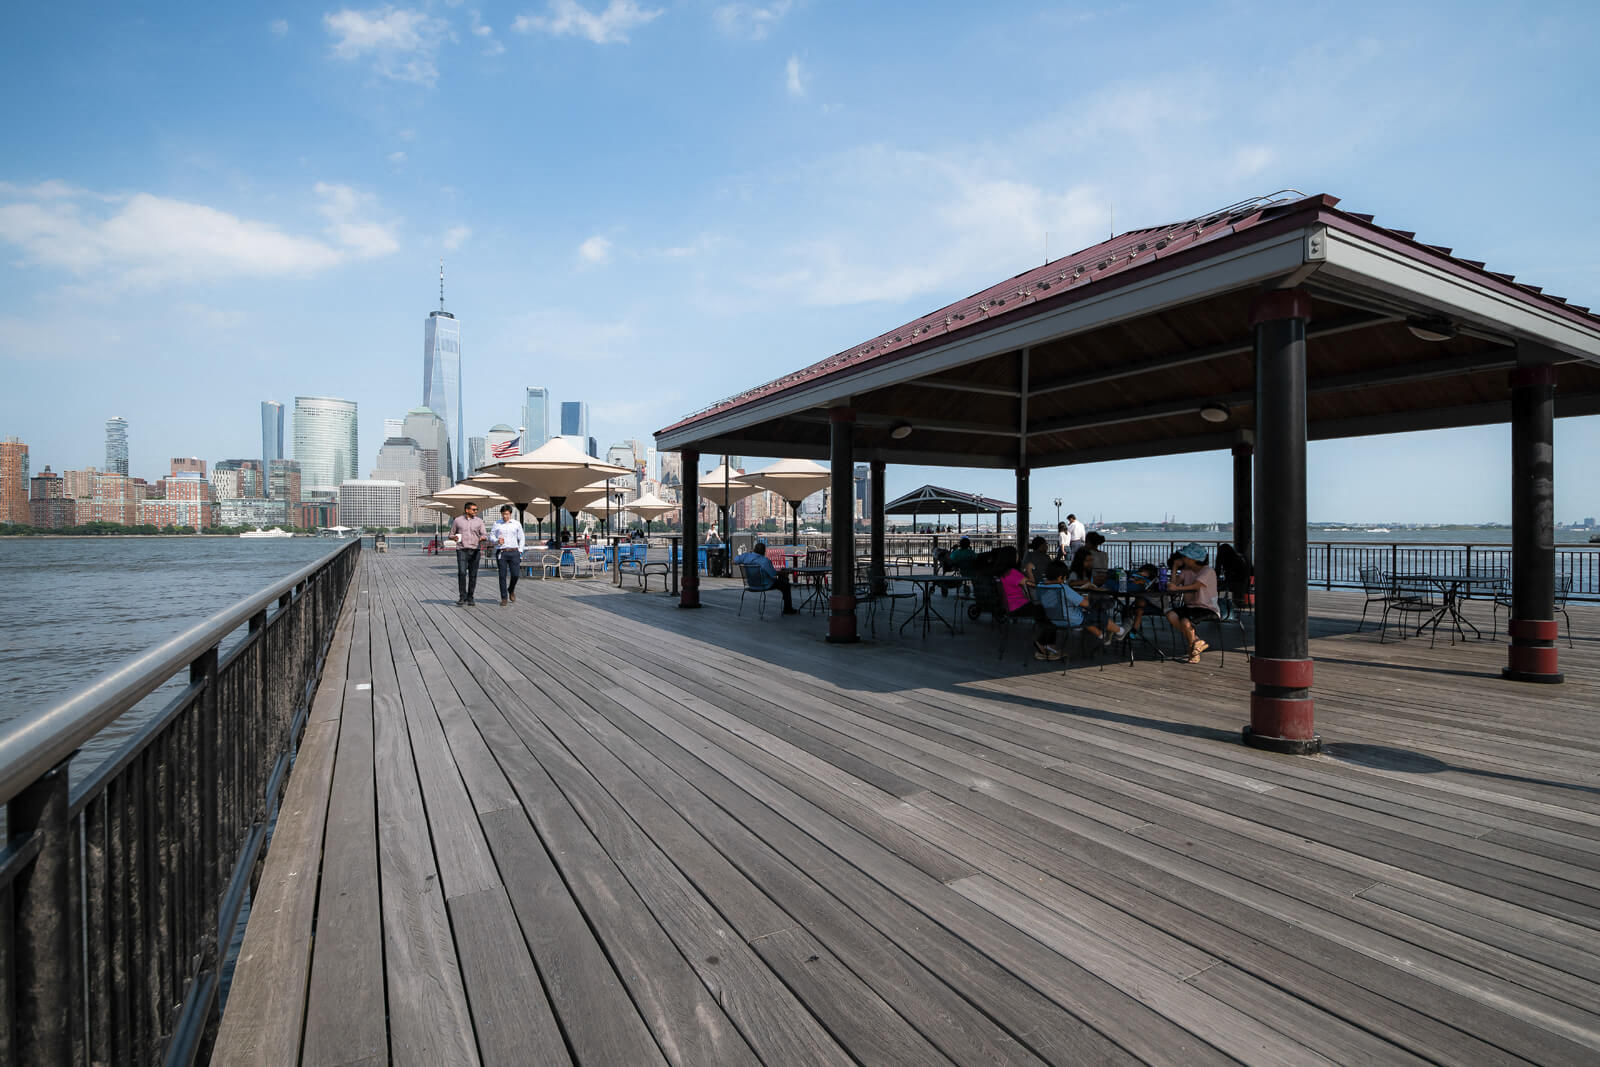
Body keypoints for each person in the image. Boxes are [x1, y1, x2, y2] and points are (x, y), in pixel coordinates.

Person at [994, 546, 1063, 660]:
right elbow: (1032, 584)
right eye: (1016, 554)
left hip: (1011, 607)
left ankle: (1046, 643)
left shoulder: (1002, 573)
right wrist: (1030, 570)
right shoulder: (1012, 572)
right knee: (1053, 612)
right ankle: (1044, 643)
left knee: (1046, 614)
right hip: (1020, 606)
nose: (1018, 556)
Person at [1166, 542, 1220, 663]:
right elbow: (1174, 584)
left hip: (1207, 607)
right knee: (1171, 614)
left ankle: (1193, 652)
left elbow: (1196, 586)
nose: (1183, 559)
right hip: (1191, 606)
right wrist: (1174, 567)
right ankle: (1196, 643)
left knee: (1186, 621)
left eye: (1185, 557)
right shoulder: (1186, 571)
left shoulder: (1208, 571)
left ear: (1193, 559)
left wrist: (1176, 589)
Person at [1065, 547, 1125, 646]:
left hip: (1088, 601)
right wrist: (1089, 582)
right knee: (1099, 609)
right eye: (1087, 561)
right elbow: (1071, 583)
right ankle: (1117, 630)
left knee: (1101, 606)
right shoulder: (1074, 573)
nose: (1090, 563)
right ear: (1080, 561)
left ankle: (1107, 633)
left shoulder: (1088, 573)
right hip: (1080, 603)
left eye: (1091, 560)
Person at [731, 541, 797, 615]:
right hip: (764, 584)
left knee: (783, 582)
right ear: (763, 551)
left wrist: (748, 558)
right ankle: (787, 608)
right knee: (786, 585)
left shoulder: (745, 556)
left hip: (751, 584)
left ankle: (787, 607)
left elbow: (733, 562)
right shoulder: (765, 561)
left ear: (754, 549)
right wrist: (784, 572)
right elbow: (773, 574)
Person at [449, 503, 488, 606]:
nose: (476, 511)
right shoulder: (457, 520)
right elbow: (451, 534)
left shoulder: (479, 521)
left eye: (476, 509)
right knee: (462, 573)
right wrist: (454, 538)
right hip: (461, 550)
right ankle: (462, 596)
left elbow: (484, 534)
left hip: (475, 550)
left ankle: (470, 597)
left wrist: (483, 537)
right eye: (474, 509)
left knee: (473, 574)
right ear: (467, 510)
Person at [491, 504, 526, 607]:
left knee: (515, 574)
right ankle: (504, 598)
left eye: (506, 514)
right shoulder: (497, 523)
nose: (504, 516)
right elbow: (491, 536)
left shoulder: (516, 524)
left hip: (514, 552)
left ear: (510, 514)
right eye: (503, 514)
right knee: (502, 576)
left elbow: (522, 538)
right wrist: (497, 540)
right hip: (502, 552)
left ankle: (511, 589)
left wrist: (520, 550)